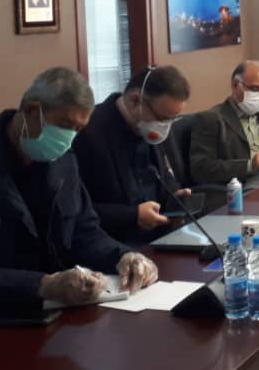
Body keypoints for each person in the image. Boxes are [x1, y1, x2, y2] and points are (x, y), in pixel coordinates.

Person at [0, 67, 158, 320]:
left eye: (78, 130)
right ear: (31, 111)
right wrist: (42, 285)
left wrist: (122, 256)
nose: (67, 138)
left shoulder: (64, 161)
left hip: (56, 313)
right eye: (64, 125)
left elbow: (85, 232)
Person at [73, 65, 192, 244]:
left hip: (163, 237)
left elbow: (162, 175)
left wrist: (174, 194)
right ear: (135, 100)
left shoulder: (152, 127)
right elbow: (76, 210)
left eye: (172, 119)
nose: (166, 126)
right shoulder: (87, 132)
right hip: (115, 244)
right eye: (162, 119)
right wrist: (132, 215)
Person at [192, 60, 259, 185]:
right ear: (235, 85)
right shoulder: (211, 119)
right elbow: (200, 168)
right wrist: (250, 165)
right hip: (245, 184)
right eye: (255, 89)